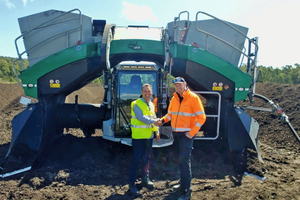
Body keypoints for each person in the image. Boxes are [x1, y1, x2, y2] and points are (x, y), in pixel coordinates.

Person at [158, 77, 206, 200]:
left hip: (186, 135)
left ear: (185, 84)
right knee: (180, 161)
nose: (178, 87)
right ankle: (183, 184)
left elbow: (202, 118)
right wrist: (162, 120)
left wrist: (192, 133)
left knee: (184, 162)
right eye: (176, 85)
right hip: (176, 134)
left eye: (180, 84)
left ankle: (186, 191)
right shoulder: (174, 98)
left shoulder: (193, 98)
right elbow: (170, 114)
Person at [129, 83, 161, 197]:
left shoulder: (152, 105)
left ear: (151, 92)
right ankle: (132, 185)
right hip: (138, 138)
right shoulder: (136, 103)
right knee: (136, 160)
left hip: (148, 137)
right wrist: (155, 121)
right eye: (145, 91)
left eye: (149, 91)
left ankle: (145, 179)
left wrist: (156, 131)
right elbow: (141, 117)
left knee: (146, 160)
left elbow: (152, 118)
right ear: (142, 92)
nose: (147, 93)